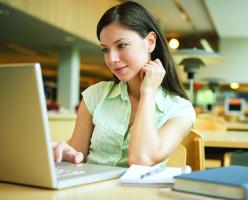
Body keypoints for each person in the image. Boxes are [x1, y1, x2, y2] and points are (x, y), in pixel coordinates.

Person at [53, 1, 195, 167]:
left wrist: (148, 93)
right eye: (105, 49)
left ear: (150, 42)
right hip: (91, 191)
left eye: (122, 45)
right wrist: (64, 152)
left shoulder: (179, 109)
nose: (111, 59)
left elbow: (141, 159)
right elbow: (77, 157)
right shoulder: (95, 95)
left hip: (139, 193)